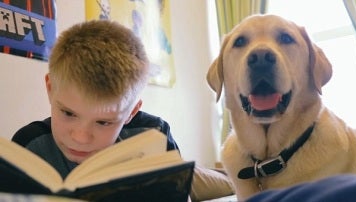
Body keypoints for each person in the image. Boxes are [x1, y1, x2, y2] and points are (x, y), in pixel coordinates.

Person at [11, 20, 233, 201]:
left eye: (104, 122)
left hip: (195, 175)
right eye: (69, 113)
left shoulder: (153, 133)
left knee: (233, 183)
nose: (80, 137)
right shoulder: (28, 144)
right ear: (50, 89)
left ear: (131, 112)